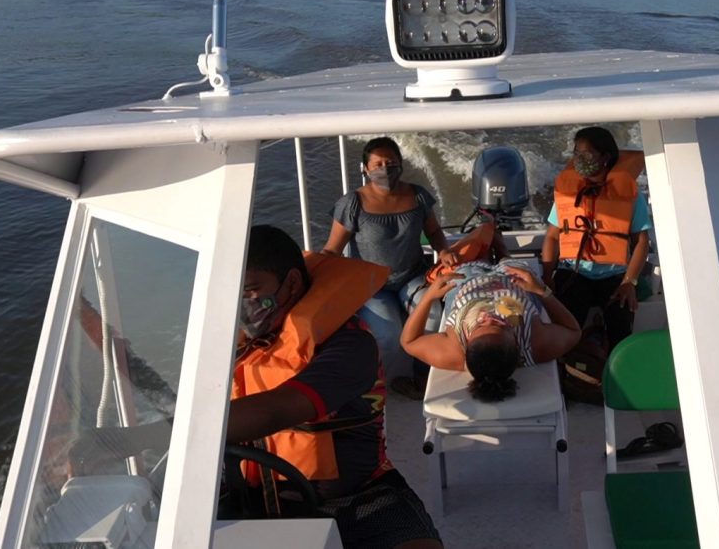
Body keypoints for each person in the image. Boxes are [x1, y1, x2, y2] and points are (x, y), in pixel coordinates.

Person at [72, 225, 443, 549]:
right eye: (231, 293)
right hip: (252, 502)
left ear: (292, 284)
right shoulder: (234, 347)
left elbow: (280, 407)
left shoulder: (350, 346)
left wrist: (132, 439)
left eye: (249, 291)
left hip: (359, 499)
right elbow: (153, 380)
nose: (240, 306)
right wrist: (85, 314)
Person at [323, 137, 456, 399]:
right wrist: (317, 273)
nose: (385, 168)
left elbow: (434, 232)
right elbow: (333, 249)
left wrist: (443, 250)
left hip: (413, 275)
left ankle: (421, 375)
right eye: (378, 164)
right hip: (372, 285)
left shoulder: (418, 196)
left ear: (401, 165)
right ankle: (395, 382)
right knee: (387, 334)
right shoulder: (352, 203)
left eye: (391, 163)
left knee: (432, 317)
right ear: (365, 168)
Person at [400, 260, 581, 402]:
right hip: (515, 278)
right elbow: (573, 331)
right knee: (508, 257)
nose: (490, 317)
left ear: (468, 344)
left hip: (466, 281)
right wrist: (542, 291)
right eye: (502, 326)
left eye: (479, 326)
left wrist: (429, 296)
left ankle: (490, 241)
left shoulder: (455, 351)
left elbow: (408, 341)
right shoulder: (534, 342)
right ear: (516, 344)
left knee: (470, 255)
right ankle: (499, 246)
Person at [541, 126, 652, 351]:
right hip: (573, 271)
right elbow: (552, 237)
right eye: (577, 154)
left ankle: (616, 375)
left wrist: (629, 282)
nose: (581, 160)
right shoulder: (567, 191)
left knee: (621, 331)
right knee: (565, 330)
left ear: (605, 157)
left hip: (614, 276)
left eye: (587, 155)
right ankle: (571, 376)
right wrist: (547, 276)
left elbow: (642, 241)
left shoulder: (628, 193)